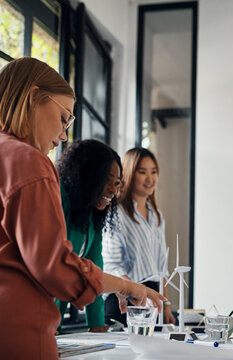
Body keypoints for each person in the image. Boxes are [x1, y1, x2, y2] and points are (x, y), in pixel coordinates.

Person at [0, 57, 165, 359]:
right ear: (35, 97)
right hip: (19, 332)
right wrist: (132, 287)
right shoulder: (30, 162)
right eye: (64, 118)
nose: (63, 134)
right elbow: (56, 266)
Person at [55, 139, 123, 333]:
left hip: (54, 320)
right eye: (106, 179)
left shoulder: (95, 215)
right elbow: (54, 264)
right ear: (86, 175)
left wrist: (97, 325)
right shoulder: (60, 198)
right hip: (34, 313)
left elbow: (95, 266)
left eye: (116, 183)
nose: (112, 190)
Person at [103, 147, 175, 325]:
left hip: (152, 301)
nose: (150, 179)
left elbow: (161, 266)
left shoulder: (157, 215)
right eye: (142, 172)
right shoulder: (116, 213)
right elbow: (112, 263)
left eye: (154, 172)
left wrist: (166, 306)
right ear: (129, 173)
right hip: (125, 300)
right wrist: (132, 288)